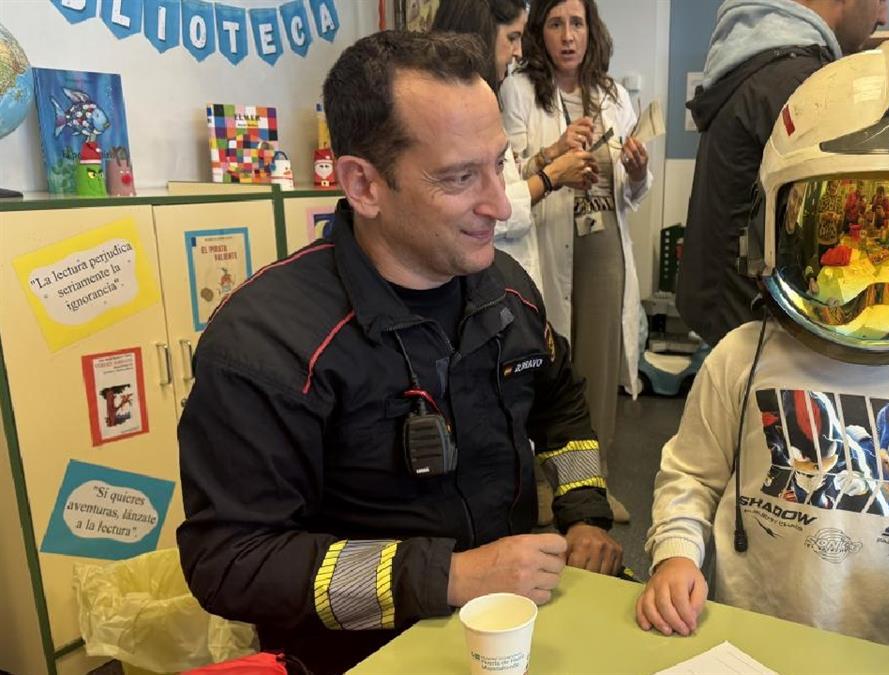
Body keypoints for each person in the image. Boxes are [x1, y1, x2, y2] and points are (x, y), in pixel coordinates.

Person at [176, 31, 622, 674]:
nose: (499, 204)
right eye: (460, 177)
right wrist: (444, 576)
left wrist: (585, 516)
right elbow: (233, 560)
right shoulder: (266, 344)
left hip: (516, 630)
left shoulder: (509, 292)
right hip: (360, 655)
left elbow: (560, 405)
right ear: (362, 184)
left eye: (499, 163)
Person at [637, 41, 889, 647]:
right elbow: (690, 476)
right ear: (774, 227)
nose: (877, 299)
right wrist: (675, 555)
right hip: (751, 634)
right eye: (851, 245)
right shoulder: (740, 357)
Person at [499, 0, 651, 523]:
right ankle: (547, 486)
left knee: (599, 363)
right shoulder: (519, 91)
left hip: (603, 239)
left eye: (577, 24)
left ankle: (596, 481)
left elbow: (632, 195)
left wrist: (635, 170)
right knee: (550, 361)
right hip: (549, 240)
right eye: (557, 24)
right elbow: (507, 176)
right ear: (540, 33)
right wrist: (555, 151)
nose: (568, 36)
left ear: (592, 31)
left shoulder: (611, 95)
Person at [676, 0, 889, 348]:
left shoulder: (756, 66)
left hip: (731, 318)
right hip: (761, 337)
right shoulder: (802, 86)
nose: (883, 16)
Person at [432, 0, 599, 292]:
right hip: (482, 279)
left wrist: (550, 154)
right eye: (512, 37)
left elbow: (505, 176)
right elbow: (494, 208)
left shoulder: (482, 100)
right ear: (481, 33)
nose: (519, 51)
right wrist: (551, 177)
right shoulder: (453, 116)